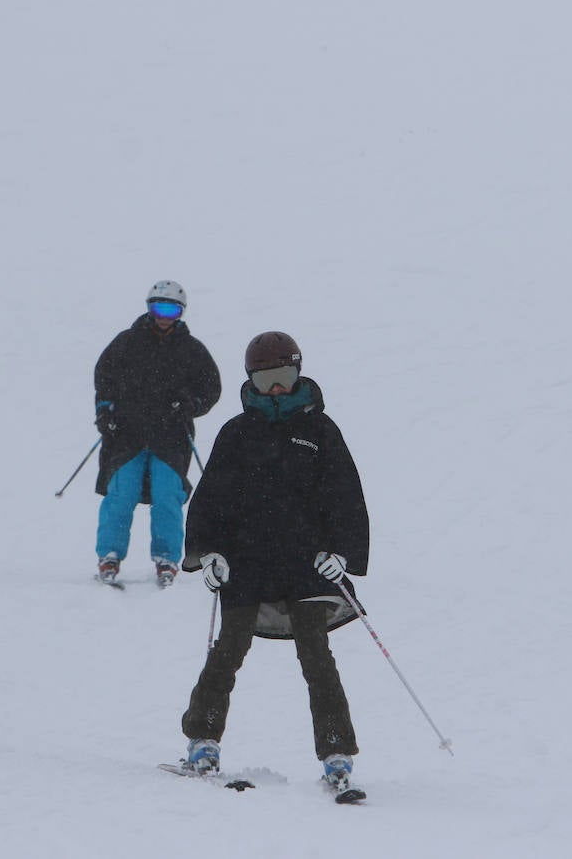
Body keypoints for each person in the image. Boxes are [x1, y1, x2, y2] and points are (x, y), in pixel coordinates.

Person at [178, 331, 370, 800]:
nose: (278, 389)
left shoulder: (321, 431)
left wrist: (342, 553)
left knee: (317, 659)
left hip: (308, 563)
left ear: (299, 373)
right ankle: (202, 742)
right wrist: (209, 551)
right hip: (247, 562)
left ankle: (336, 755)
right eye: (268, 380)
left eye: (285, 377)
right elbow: (210, 501)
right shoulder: (236, 433)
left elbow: (346, 497)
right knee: (227, 651)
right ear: (252, 382)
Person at [93, 280, 220, 588]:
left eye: (171, 309)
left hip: (171, 438)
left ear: (181, 313)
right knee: (121, 494)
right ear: (149, 308)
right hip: (127, 435)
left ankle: (167, 558)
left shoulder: (192, 350)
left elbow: (211, 388)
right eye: (158, 308)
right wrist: (106, 411)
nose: (164, 316)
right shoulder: (127, 342)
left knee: (167, 497)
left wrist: (190, 405)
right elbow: (104, 377)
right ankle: (109, 555)